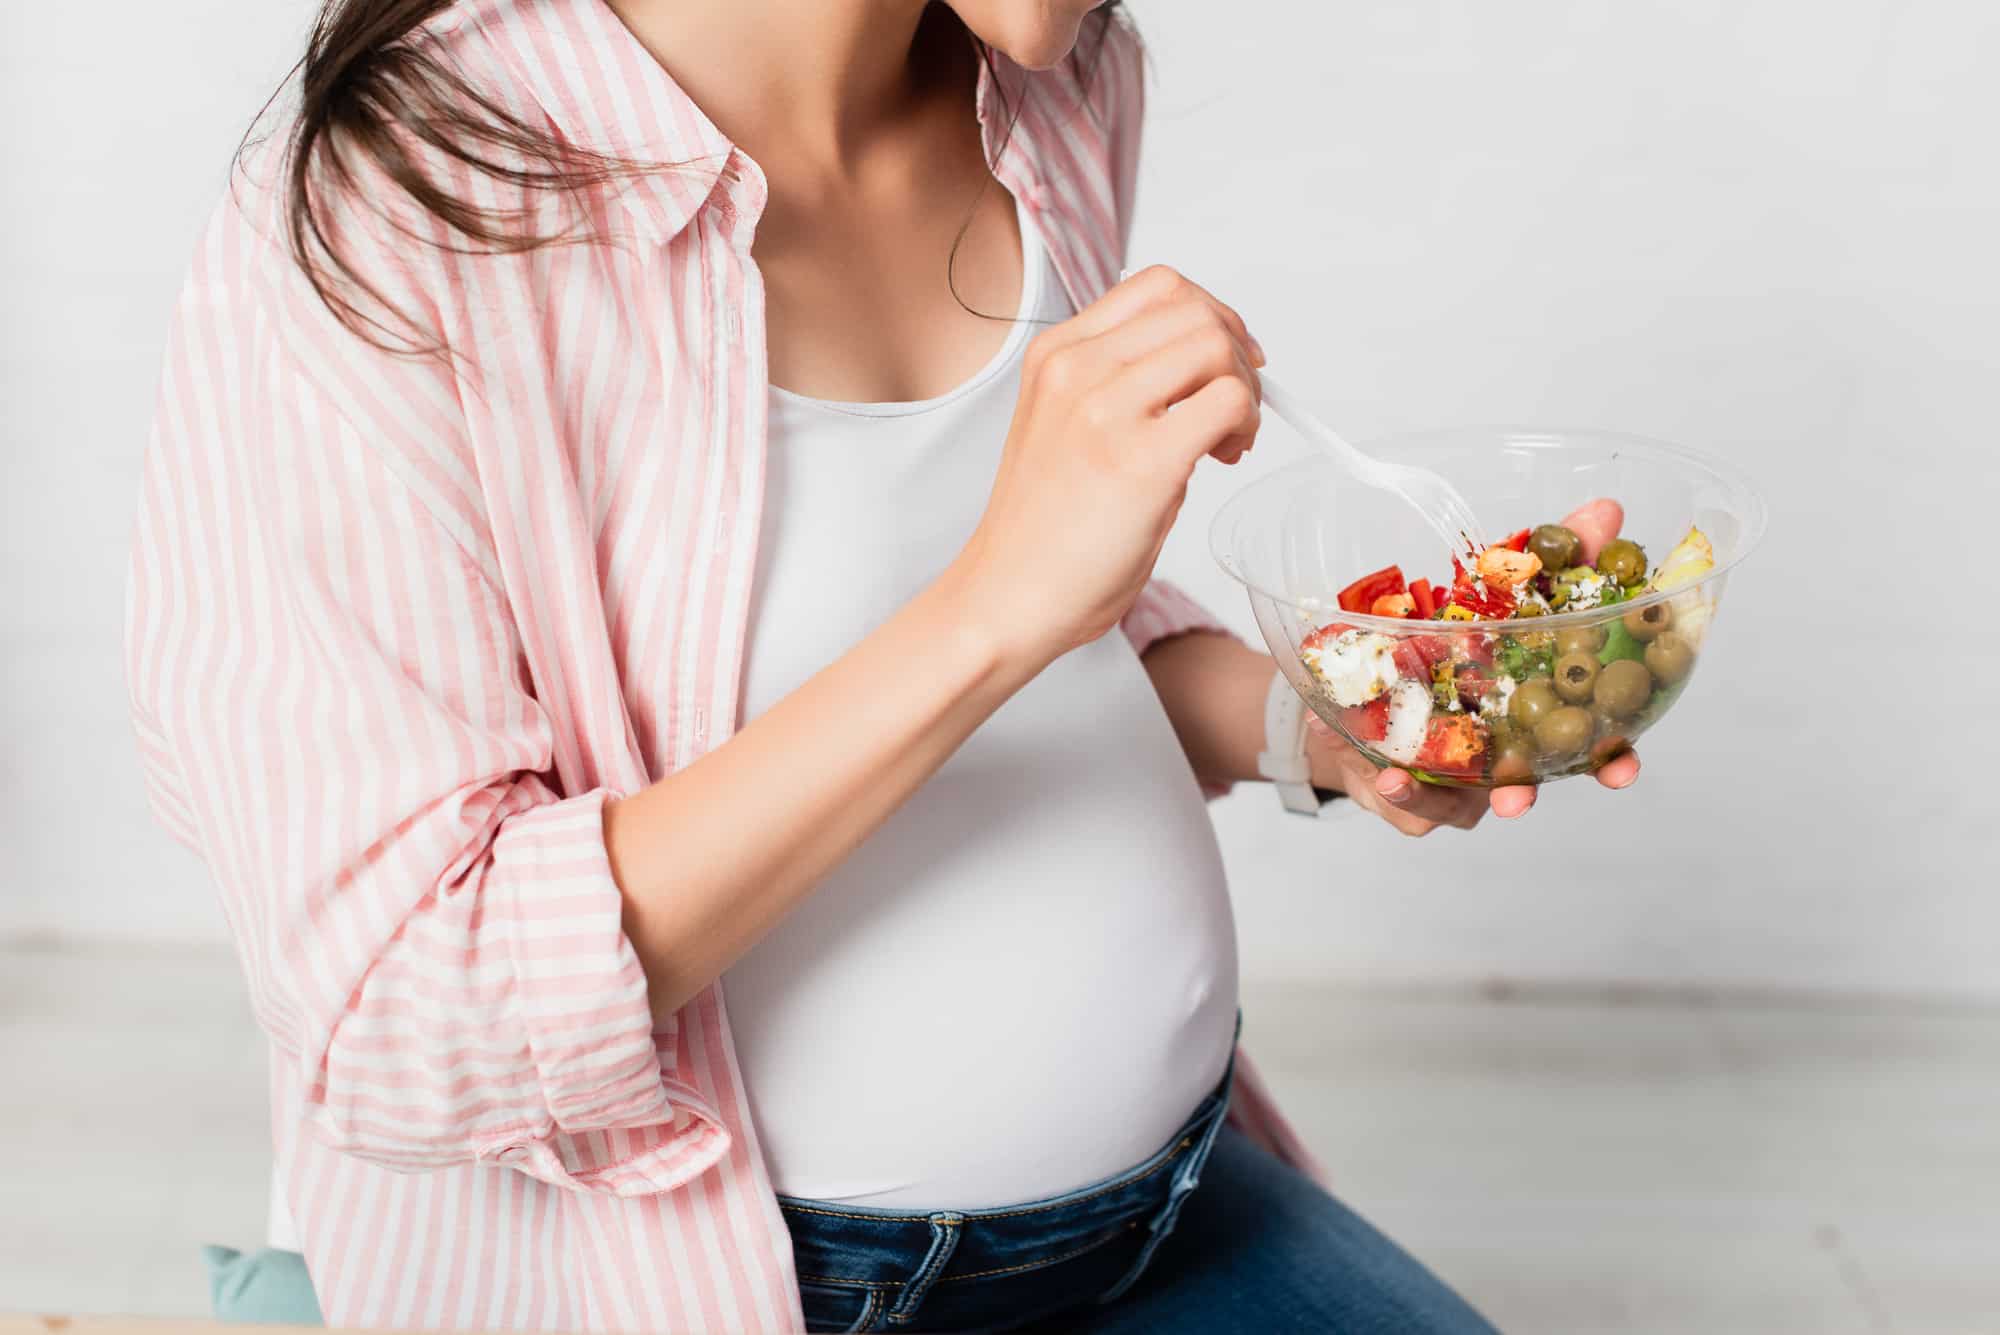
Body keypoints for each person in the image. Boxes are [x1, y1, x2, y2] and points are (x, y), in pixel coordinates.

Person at [124, 1, 1638, 1330]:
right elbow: (403, 1012)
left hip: (1161, 1211)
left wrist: (1325, 724)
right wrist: (992, 603)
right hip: (729, 1283)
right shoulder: (392, 219)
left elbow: (1072, 646)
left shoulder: (1056, 87)